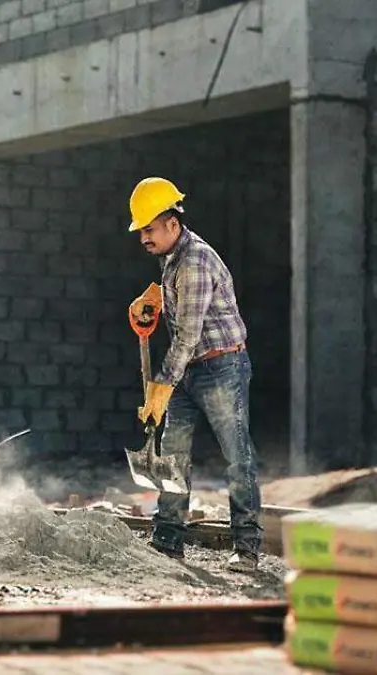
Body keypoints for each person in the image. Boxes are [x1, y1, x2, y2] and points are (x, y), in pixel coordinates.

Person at [127, 177, 262, 573]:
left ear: (172, 223)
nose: (143, 239)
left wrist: (161, 386)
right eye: (141, 231)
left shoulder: (195, 260)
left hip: (222, 366)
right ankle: (167, 541)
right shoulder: (172, 257)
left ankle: (248, 548)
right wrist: (155, 294)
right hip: (189, 368)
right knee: (173, 454)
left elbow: (187, 335)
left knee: (237, 457)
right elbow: (181, 306)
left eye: (149, 230)